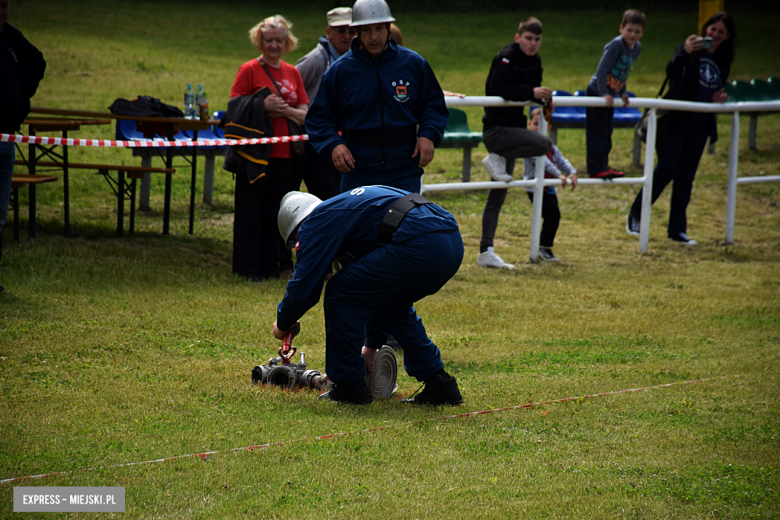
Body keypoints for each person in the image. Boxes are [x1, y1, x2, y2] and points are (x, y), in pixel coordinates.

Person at [272, 186, 464, 406]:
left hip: (420, 243)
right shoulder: (342, 214)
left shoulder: (316, 221)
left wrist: (283, 322)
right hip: (450, 241)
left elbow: (304, 287)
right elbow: (373, 294)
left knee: (339, 292)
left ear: (296, 229)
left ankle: (349, 386)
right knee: (393, 304)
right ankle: (440, 385)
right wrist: (372, 345)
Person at [304, 0, 449, 195]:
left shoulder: (413, 64)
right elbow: (318, 117)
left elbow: (432, 104)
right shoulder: (340, 71)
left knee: (402, 224)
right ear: (357, 32)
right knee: (358, 225)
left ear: (389, 28)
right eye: (366, 30)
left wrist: (428, 134)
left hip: (404, 169)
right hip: (357, 170)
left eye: (379, 29)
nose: (374, 37)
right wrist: (334, 146)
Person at [626, 12, 735, 246]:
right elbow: (672, 72)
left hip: (700, 124)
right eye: (712, 29)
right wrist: (685, 51)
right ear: (705, 29)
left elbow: (714, 86)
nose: (714, 35)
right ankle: (636, 213)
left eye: (720, 32)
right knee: (666, 169)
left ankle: (677, 230)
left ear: (727, 37)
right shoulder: (690, 48)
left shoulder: (724, 58)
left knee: (686, 177)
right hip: (675, 120)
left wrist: (716, 100)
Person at [229, 15, 309, 281]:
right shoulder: (249, 69)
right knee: (250, 212)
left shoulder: (293, 72)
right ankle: (247, 268)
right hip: (255, 155)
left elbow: (305, 114)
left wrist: (285, 111)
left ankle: (271, 267)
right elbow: (234, 107)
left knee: (277, 214)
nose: (274, 45)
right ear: (259, 41)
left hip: (286, 154)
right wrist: (261, 107)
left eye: (279, 40)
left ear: (287, 43)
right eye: (269, 40)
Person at [477, 16, 554, 270]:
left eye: (537, 39)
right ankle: (496, 156)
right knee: (543, 144)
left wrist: (544, 100)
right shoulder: (505, 57)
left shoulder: (537, 61)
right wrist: (532, 93)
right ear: (517, 37)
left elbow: (532, 91)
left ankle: (485, 251)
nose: (533, 44)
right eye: (529, 38)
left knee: (497, 197)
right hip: (497, 131)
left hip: (511, 135)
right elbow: (496, 89)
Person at [0, 0, 45, 292]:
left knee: (0, 215)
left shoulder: (13, 40)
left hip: (8, 139)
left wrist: (21, 103)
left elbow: (38, 63)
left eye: (4, 6)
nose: (1, 12)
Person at [294, 7, 353, 202]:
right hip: (315, 142)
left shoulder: (354, 59)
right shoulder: (316, 60)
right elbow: (288, 86)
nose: (347, 36)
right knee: (328, 199)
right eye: (341, 30)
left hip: (344, 140)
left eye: (351, 31)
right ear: (329, 32)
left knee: (344, 197)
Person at [585, 9, 645, 179]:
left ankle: (603, 166)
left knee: (606, 132)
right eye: (629, 30)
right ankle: (595, 168)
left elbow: (623, 71)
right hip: (598, 91)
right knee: (596, 132)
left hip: (612, 93)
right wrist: (604, 93)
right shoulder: (616, 45)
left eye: (637, 31)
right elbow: (602, 69)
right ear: (621, 28)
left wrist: (622, 92)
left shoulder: (637, 48)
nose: (632, 35)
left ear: (642, 32)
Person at [522, 108, 577, 262]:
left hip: (549, 187)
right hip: (535, 188)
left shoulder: (550, 146)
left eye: (543, 125)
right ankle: (543, 247)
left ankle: (543, 247)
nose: (538, 128)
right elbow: (542, 162)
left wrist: (572, 172)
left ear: (549, 127)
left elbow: (560, 160)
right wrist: (559, 175)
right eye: (535, 124)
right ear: (529, 124)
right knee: (551, 215)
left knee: (553, 216)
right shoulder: (530, 145)